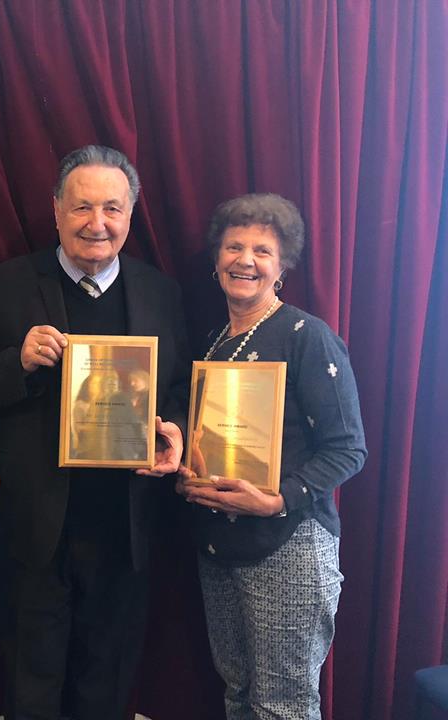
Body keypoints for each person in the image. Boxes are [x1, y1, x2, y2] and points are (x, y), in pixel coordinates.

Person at [0, 145, 190, 719]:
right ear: (56, 210)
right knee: (31, 681)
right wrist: (17, 362)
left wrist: (174, 432)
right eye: (82, 207)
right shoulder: (6, 285)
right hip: (35, 528)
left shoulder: (161, 292)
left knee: (106, 681)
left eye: (112, 208)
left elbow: (179, 389)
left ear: (130, 214)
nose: (97, 223)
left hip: (124, 524)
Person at [176, 193, 367, 719]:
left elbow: (348, 448)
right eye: (233, 247)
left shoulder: (308, 337)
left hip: (288, 544)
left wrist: (278, 499)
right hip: (219, 544)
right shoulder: (214, 343)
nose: (246, 260)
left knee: (283, 705)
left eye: (262, 251)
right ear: (216, 260)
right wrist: (190, 474)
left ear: (282, 268)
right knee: (238, 693)